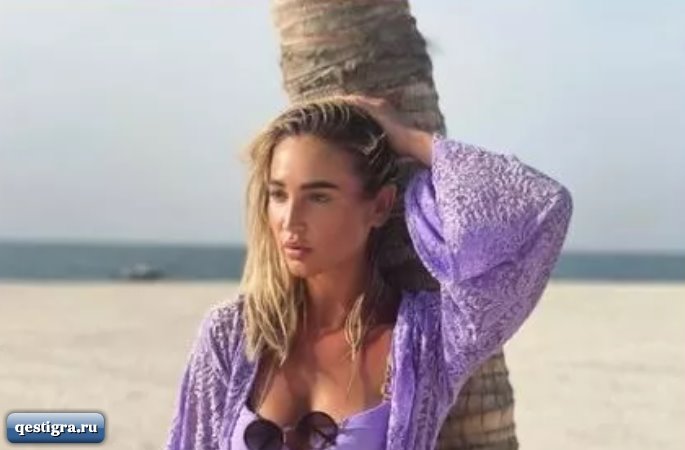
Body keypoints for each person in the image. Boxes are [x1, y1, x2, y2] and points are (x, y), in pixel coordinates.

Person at [165, 96, 573, 450]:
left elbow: (543, 206)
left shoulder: (426, 341)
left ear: (379, 206)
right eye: (278, 194)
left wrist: (409, 139)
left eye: (318, 197)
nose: (290, 220)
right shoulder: (233, 336)